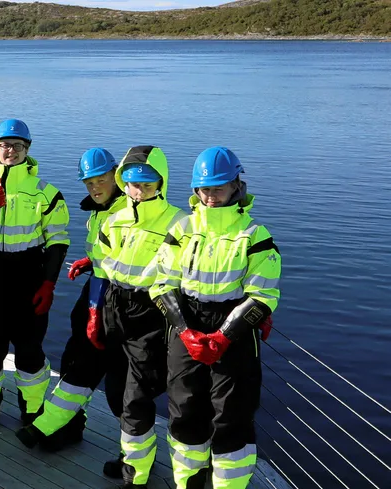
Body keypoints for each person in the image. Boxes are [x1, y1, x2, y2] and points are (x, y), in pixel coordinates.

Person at [151, 147, 281, 489]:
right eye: (204, 189)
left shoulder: (255, 236)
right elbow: (162, 283)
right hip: (187, 323)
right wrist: (185, 331)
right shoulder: (181, 229)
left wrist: (224, 336)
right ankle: (188, 482)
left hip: (235, 331)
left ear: (236, 186)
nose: (210, 196)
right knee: (184, 409)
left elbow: (263, 296)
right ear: (195, 190)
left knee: (231, 416)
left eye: (218, 188)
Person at [17, 148, 129, 469]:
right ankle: (69, 426)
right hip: (95, 294)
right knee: (73, 359)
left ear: (116, 176)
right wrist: (89, 262)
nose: (94, 187)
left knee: (121, 384)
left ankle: (131, 454)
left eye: (101, 179)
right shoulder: (99, 211)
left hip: (121, 305)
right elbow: (106, 258)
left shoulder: (127, 213)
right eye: (89, 182)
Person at [0, 119, 70, 431]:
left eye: (17, 146)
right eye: (4, 145)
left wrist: (49, 282)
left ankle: (31, 410)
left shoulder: (46, 192)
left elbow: (58, 239)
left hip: (29, 272)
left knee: (29, 346)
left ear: (27, 149)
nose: (10, 151)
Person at [92, 145, 186, 489]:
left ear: (161, 184)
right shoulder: (114, 220)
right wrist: (97, 311)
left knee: (136, 397)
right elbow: (104, 264)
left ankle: (137, 474)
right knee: (116, 392)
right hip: (116, 307)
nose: (138, 192)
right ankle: (130, 453)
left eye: (147, 185)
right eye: (131, 184)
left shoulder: (178, 223)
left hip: (151, 313)